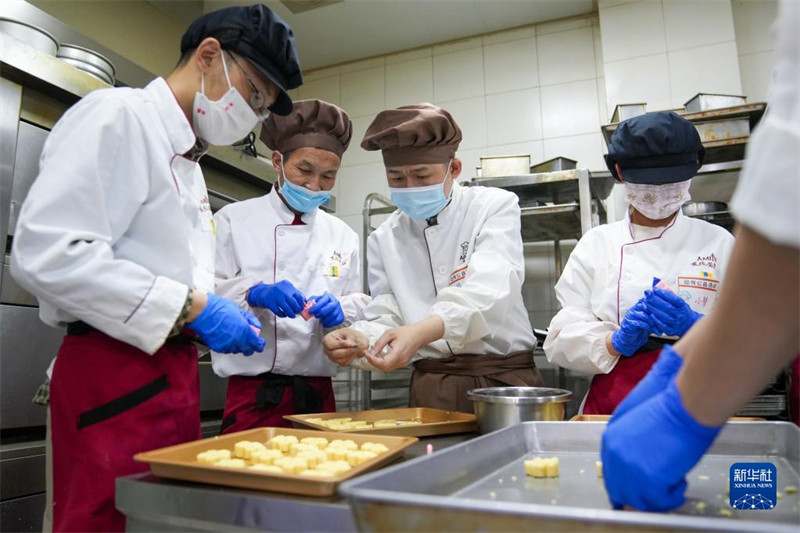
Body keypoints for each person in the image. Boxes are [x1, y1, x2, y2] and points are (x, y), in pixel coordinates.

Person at [10, 5, 301, 531]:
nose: (252, 115)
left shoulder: (189, 162)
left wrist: (231, 304)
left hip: (171, 378)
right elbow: (49, 252)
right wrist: (193, 307)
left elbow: (170, 273)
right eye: (254, 95)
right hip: (110, 373)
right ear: (209, 56)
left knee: (160, 521)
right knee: (104, 521)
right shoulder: (119, 116)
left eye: (261, 109)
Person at [601, 0, 799, 512]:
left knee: (755, 496)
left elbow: (784, 238)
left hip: (720, 390)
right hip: (622, 393)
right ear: (622, 178)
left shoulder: (720, 241)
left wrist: (684, 404)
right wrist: (624, 345)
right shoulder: (597, 243)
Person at [321, 103, 543, 413]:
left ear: (454, 169)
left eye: (422, 176)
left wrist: (421, 332)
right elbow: (388, 311)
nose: (409, 188)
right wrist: (360, 337)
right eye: (397, 179)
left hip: (503, 382)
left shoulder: (492, 207)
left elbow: (490, 294)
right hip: (432, 387)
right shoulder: (385, 237)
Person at [543, 112, 735, 415]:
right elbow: (558, 342)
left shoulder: (720, 243)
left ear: (692, 172)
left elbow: (752, 339)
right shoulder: (597, 244)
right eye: (648, 185)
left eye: (672, 183)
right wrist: (613, 342)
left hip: (700, 402)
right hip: (614, 404)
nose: (659, 193)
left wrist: (698, 328)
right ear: (619, 172)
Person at [212, 99, 370, 433]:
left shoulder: (341, 234)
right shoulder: (232, 220)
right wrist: (252, 292)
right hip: (251, 393)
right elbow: (203, 291)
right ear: (277, 161)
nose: (315, 185)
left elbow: (359, 302)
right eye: (305, 169)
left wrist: (341, 309)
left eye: (329, 176)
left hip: (317, 395)